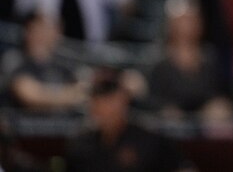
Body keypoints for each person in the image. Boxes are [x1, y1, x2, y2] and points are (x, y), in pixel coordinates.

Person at [65, 68, 195, 172]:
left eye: (110, 97)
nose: (105, 106)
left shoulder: (149, 139)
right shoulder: (80, 145)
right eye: (98, 98)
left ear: (125, 99)